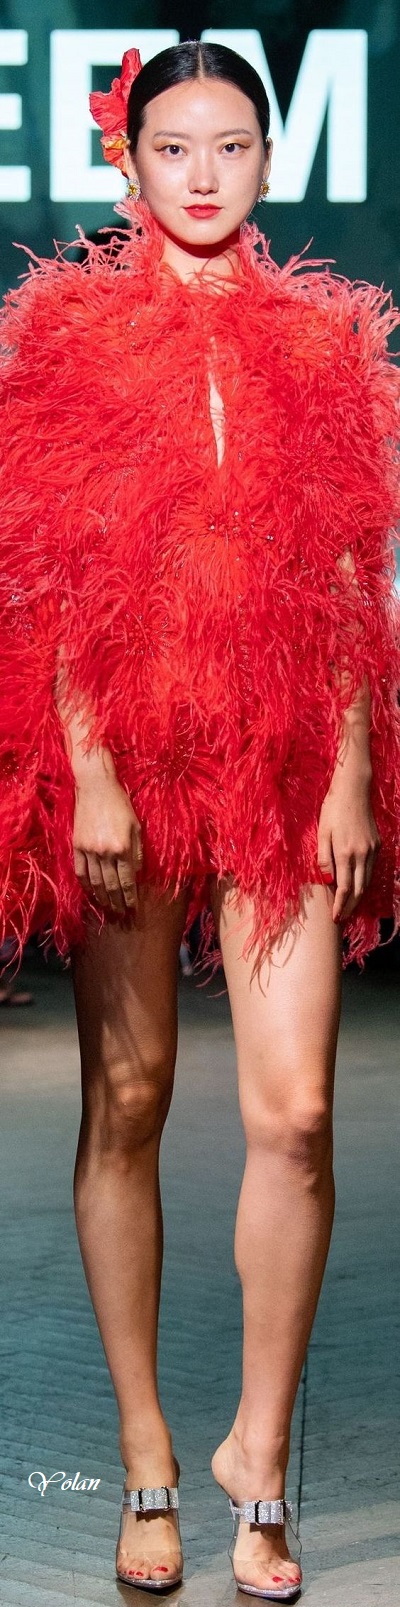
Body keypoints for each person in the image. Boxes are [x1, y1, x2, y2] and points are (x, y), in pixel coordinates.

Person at [0, 38, 399, 1600]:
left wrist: (353, 766)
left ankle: (262, 1466)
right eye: (176, 148)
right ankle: (149, 1459)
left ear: (268, 159)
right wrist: (89, 767)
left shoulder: (326, 341)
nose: (206, 175)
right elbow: (45, 569)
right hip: (129, 757)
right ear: (129, 164)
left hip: (290, 753)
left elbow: (350, 566)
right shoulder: (69, 335)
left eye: (233, 145)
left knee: (295, 1116)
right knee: (130, 1099)